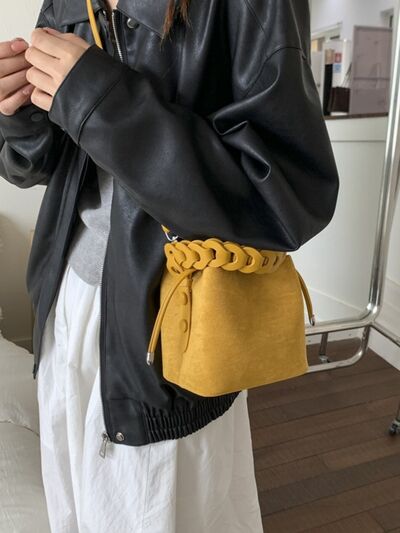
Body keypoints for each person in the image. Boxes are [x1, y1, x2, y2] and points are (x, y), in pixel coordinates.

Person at [0, 0, 340, 531]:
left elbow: (289, 196)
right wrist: (17, 117)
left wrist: (102, 101)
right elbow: (46, 164)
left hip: (169, 326)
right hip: (63, 302)